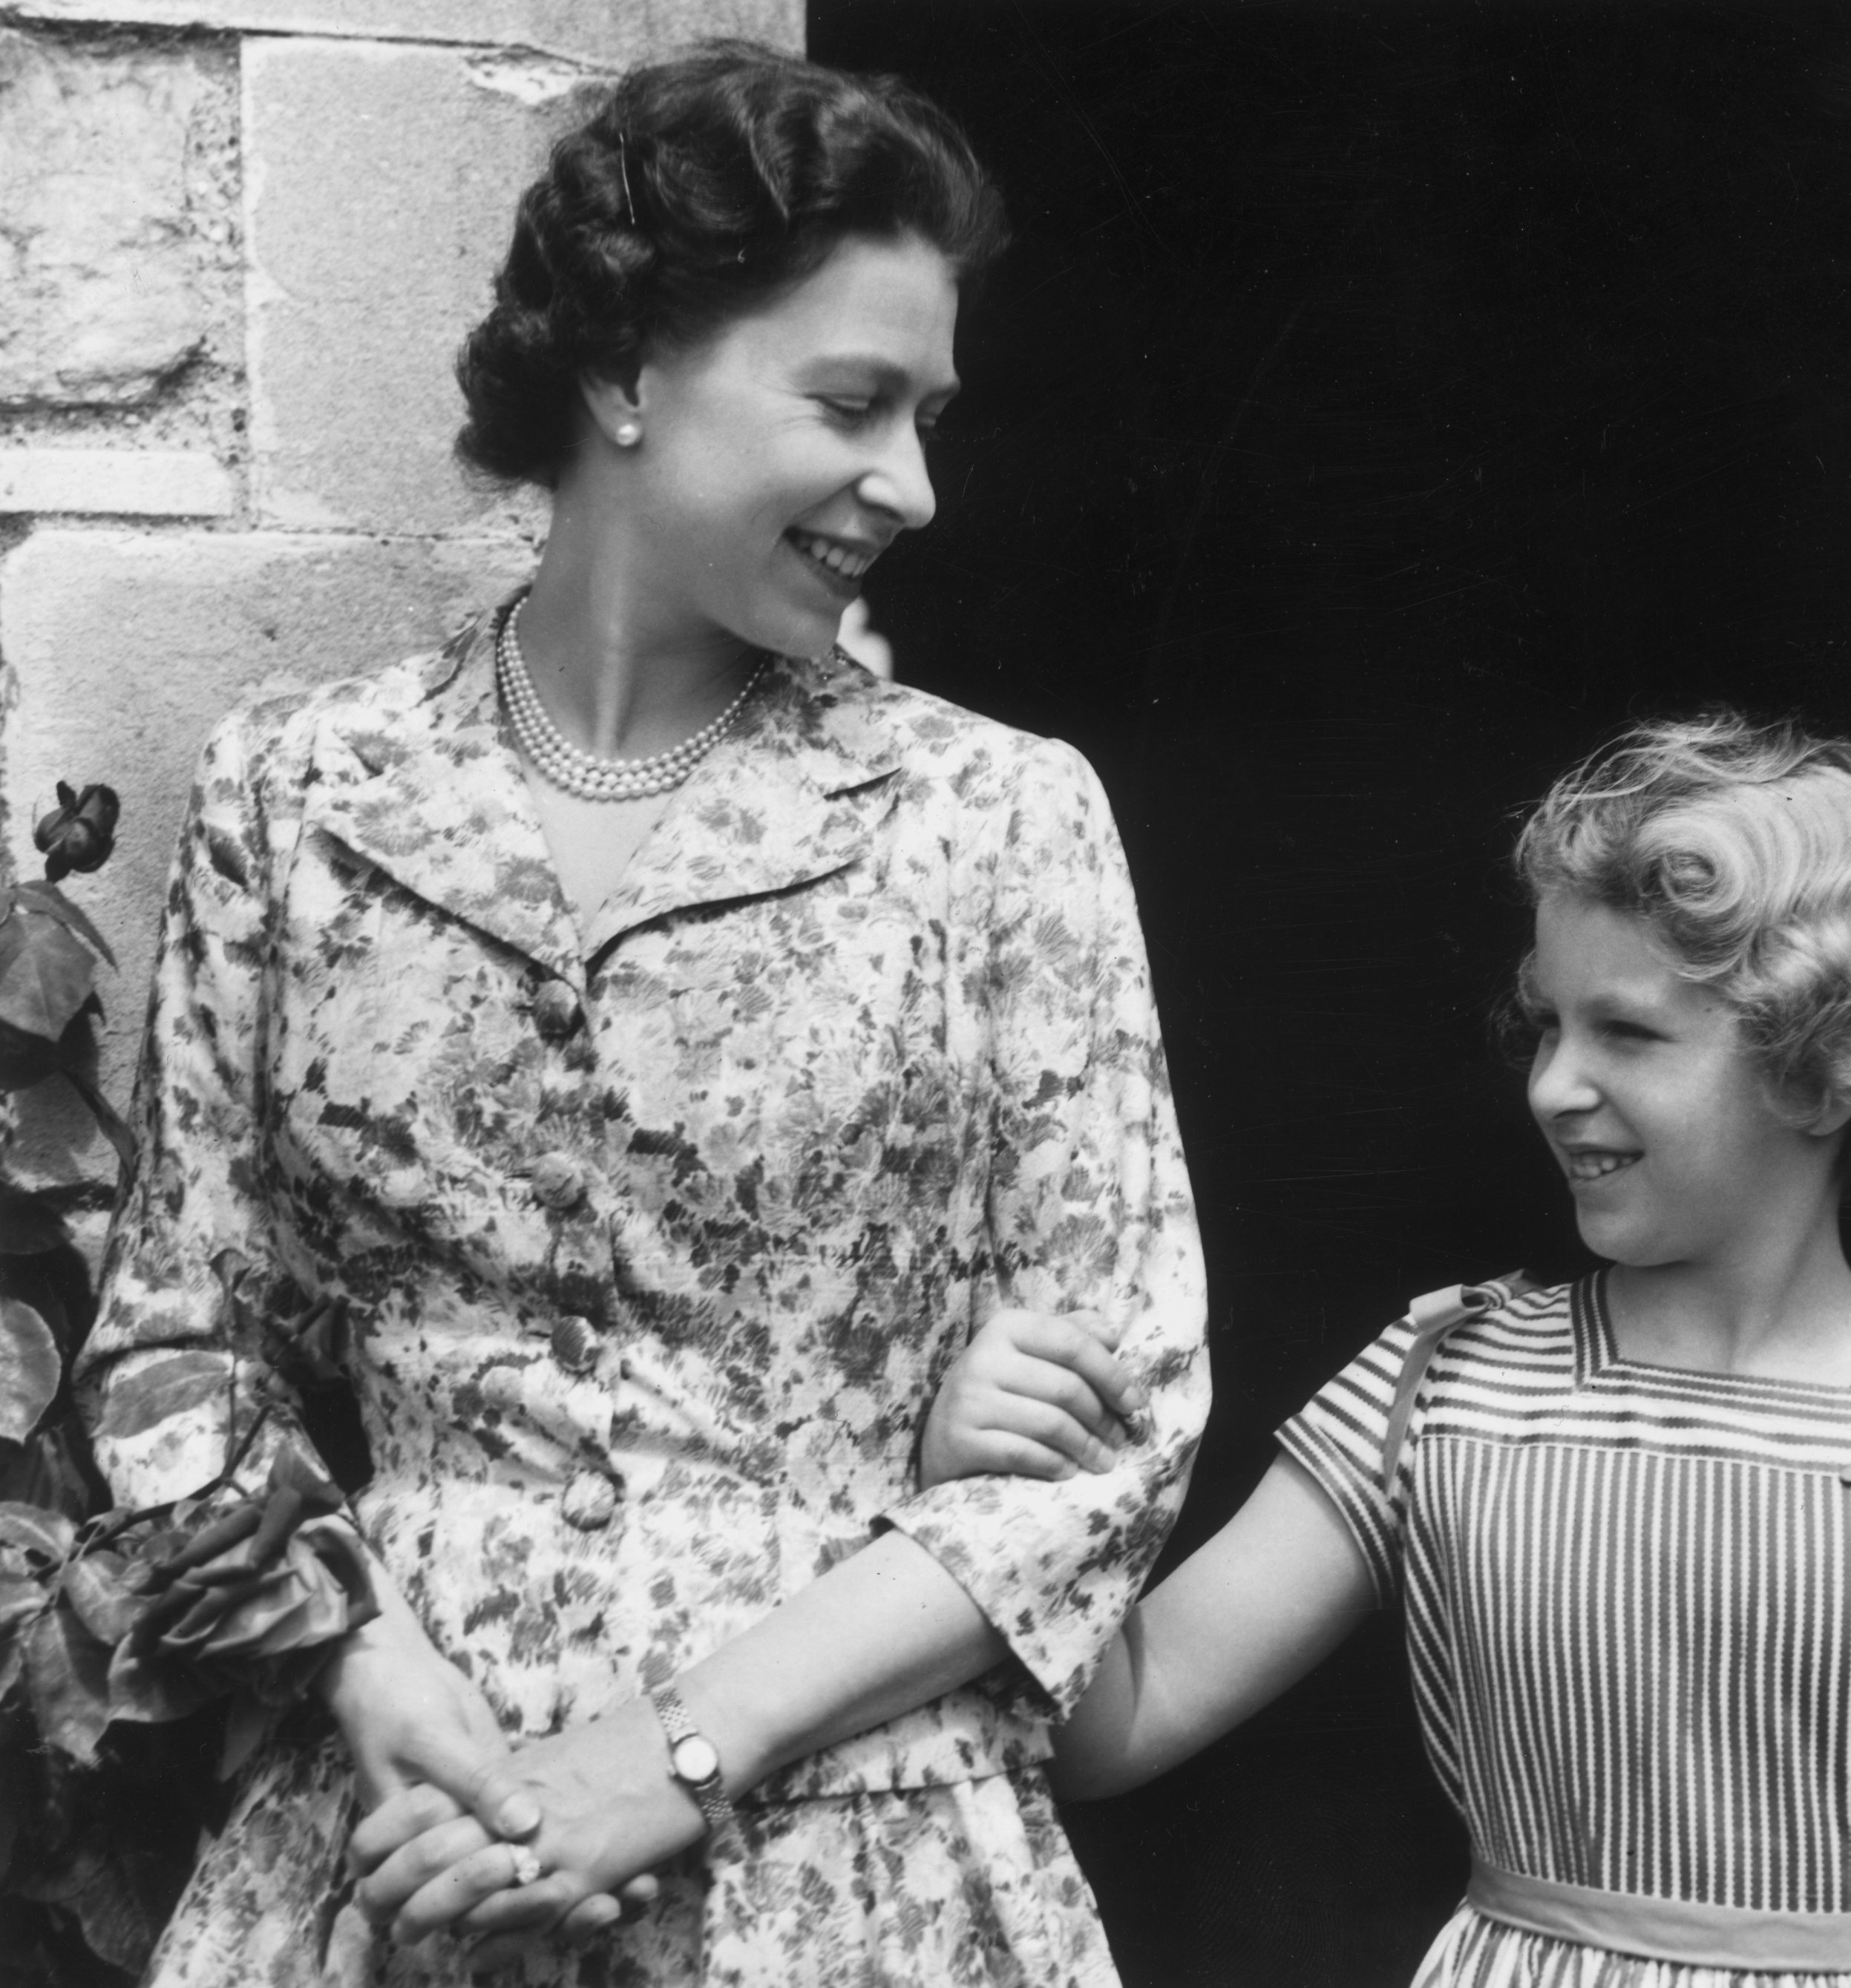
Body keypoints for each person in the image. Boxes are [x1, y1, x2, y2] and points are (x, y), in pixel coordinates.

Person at [73, 41, 1206, 1987]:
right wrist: (360, 1664)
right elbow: (168, 1369)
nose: (911, 486)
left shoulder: (997, 816)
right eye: (850, 404)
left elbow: (1121, 1442)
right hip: (403, 1842)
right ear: (623, 370)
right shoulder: (301, 793)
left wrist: (666, 1756)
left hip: (859, 1852)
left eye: (928, 417)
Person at [930, 714, 1851, 1988]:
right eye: (1550, 1025)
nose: (1554, 1082)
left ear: (1834, 1072)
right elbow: (1119, 1719)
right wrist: (996, 1478)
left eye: (1630, 1033)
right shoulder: (1447, 1379)